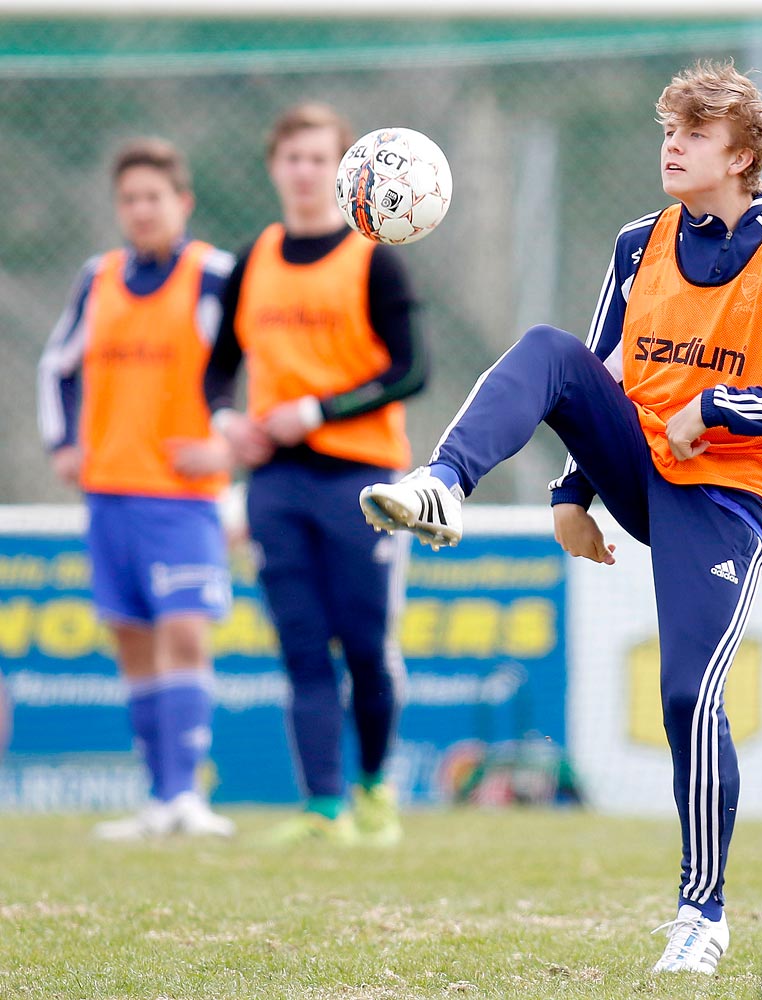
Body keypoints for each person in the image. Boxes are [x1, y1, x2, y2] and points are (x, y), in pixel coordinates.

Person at [360, 61, 762, 974]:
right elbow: (601, 374)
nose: (672, 145)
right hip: (642, 466)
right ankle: (442, 483)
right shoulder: (637, 243)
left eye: (694, 134)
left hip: (729, 500)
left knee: (687, 695)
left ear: (741, 156)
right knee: (550, 349)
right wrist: (572, 493)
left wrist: (722, 410)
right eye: (668, 129)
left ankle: (704, 914)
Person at [204, 103, 425, 847]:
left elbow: (411, 369)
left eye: (316, 158)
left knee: (364, 643)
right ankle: (323, 807)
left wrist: (320, 410)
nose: (302, 171)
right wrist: (227, 422)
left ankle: (374, 792)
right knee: (300, 643)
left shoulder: (373, 256)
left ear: (341, 170)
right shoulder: (252, 259)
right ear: (274, 166)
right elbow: (217, 372)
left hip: (362, 480)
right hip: (275, 486)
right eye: (290, 157)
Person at [37, 138, 237, 840]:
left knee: (184, 632)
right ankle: (159, 800)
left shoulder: (214, 275)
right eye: (129, 199)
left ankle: (187, 797)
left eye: (155, 196)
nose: (141, 209)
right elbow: (56, 366)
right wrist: (63, 443)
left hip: (182, 497)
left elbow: (250, 364)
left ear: (181, 202)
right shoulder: (100, 276)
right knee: (133, 645)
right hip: (109, 493)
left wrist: (227, 441)